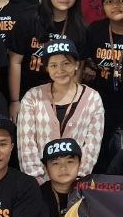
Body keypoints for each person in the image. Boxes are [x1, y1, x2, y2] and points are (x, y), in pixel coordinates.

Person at [16, 39, 104, 180]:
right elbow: (26, 144)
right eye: (53, 65)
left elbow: (92, 146)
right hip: (40, 183)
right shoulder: (32, 97)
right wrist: (38, 181)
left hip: (76, 182)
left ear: (76, 64)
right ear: (47, 68)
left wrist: (77, 179)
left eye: (66, 63)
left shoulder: (92, 98)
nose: (60, 70)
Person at [10, 0, 88, 104]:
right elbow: (15, 61)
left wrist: (72, 103)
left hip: (62, 97)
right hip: (28, 95)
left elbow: (78, 68)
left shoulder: (79, 27)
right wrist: (14, 101)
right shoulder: (28, 18)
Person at [83, 0, 123, 170]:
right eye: (110, 2)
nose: (116, 6)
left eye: (122, 1)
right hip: (102, 102)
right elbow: (85, 60)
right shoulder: (95, 30)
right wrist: (89, 66)